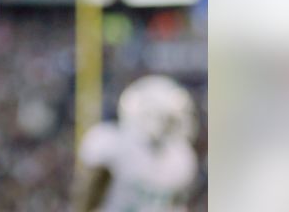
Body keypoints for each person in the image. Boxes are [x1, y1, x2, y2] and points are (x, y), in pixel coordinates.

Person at [72, 75, 200, 212]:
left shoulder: (181, 159)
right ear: (149, 115)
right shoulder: (112, 145)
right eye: (170, 121)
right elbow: (86, 197)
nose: (178, 127)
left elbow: (177, 205)